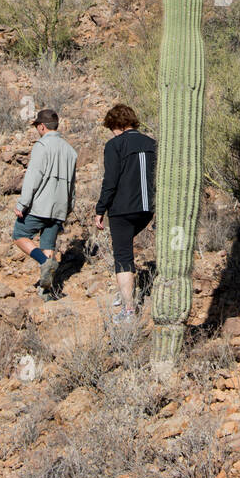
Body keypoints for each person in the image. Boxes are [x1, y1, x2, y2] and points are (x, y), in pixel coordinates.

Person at [94, 104, 156, 322]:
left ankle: (129, 309)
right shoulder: (152, 143)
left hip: (122, 209)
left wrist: (100, 209)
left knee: (122, 256)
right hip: (148, 209)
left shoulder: (114, 145)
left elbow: (110, 180)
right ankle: (125, 293)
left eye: (112, 127)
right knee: (126, 245)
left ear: (117, 125)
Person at [12, 108, 77, 294]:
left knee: (19, 234)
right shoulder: (70, 150)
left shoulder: (42, 146)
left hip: (40, 206)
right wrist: (69, 207)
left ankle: (44, 262)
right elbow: (72, 184)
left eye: (37, 127)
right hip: (60, 207)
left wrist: (22, 204)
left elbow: (33, 177)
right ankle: (47, 292)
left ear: (42, 126)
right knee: (48, 245)